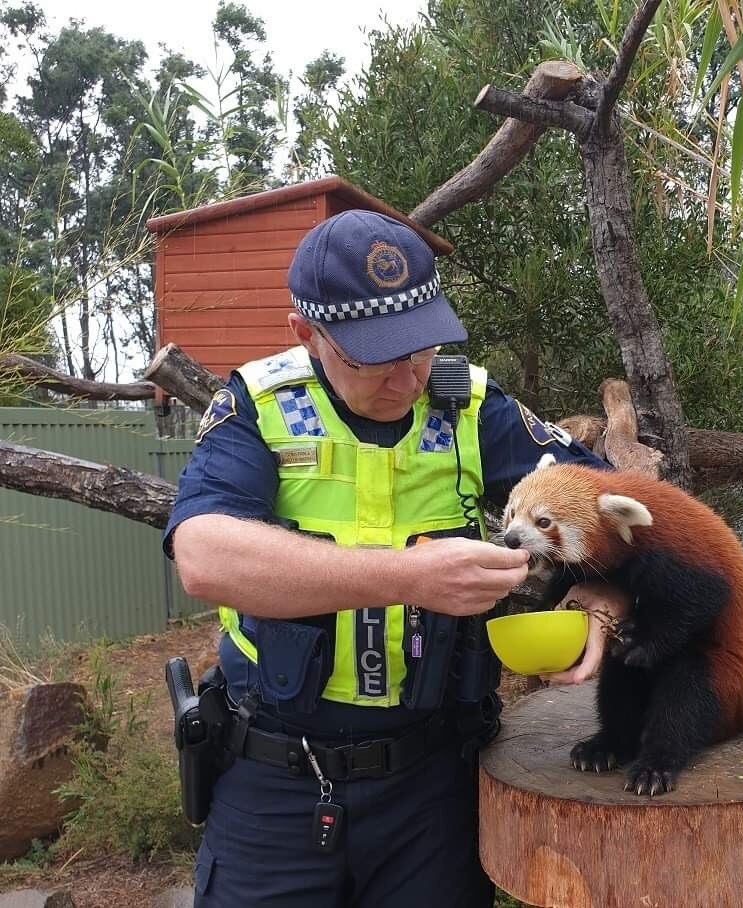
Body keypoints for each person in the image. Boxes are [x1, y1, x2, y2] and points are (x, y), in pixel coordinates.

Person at [165, 208, 622, 908]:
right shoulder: (260, 407)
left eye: (419, 349)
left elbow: (622, 506)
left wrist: (603, 602)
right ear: (307, 336)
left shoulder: (471, 407)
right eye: (374, 360)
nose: (408, 381)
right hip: (274, 785)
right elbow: (204, 555)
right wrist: (409, 577)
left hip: (431, 791)